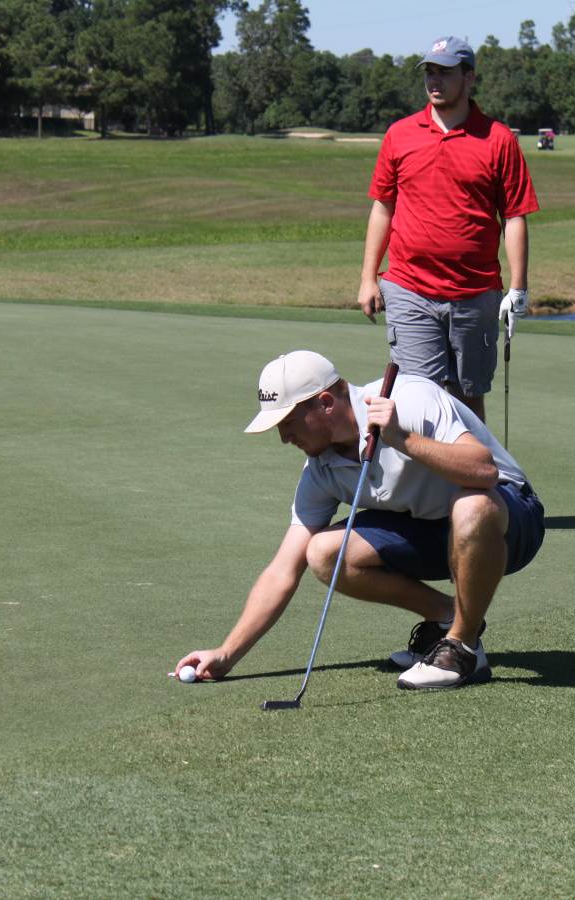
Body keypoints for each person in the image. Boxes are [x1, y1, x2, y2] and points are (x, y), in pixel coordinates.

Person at [172, 350, 545, 690]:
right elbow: (282, 570)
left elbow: (484, 471)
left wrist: (402, 439)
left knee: (472, 505)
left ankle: (462, 650)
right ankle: (450, 618)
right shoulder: (321, 469)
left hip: (510, 520)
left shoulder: (410, 398)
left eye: (289, 422)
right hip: (435, 531)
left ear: (325, 403)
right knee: (322, 553)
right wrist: (226, 654)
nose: (285, 437)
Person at [357, 36, 539, 423]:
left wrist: (519, 288)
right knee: (417, 398)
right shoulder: (400, 134)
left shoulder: (498, 139)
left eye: (445, 72)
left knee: (467, 400)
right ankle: (422, 484)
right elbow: (383, 207)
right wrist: (367, 277)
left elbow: (515, 216)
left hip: (474, 292)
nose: (434, 81)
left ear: (469, 77)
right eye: (430, 72)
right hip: (410, 287)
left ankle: (472, 480)